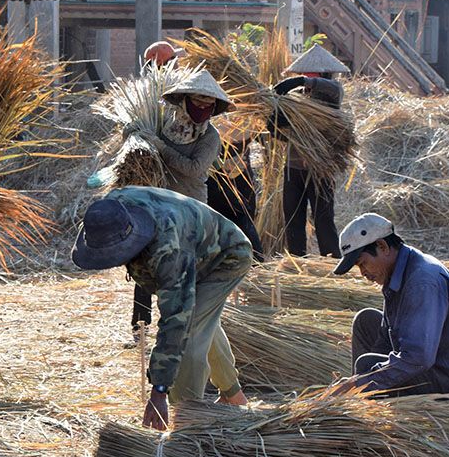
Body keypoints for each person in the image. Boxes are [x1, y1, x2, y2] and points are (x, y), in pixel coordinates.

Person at [71, 186, 251, 430]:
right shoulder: (111, 212)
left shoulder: (167, 249)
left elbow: (176, 322)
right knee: (200, 321)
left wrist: (160, 391)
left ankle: (186, 424)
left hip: (226, 255)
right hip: (193, 248)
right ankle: (234, 398)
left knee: (191, 332)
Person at [330, 213, 449, 396]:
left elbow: (418, 358)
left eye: (362, 263)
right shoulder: (398, 273)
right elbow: (386, 339)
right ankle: (364, 400)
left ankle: (366, 409)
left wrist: (361, 382)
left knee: (367, 366)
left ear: (382, 246)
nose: (362, 273)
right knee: (365, 321)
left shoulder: (422, 281)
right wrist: (361, 380)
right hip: (435, 368)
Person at [123, 69, 234, 339]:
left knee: (181, 267)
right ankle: (140, 326)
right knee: (144, 263)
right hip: (157, 201)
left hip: (190, 207)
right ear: (184, 101)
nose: (203, 109)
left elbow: (194, 168)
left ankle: (178, 328)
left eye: (209, 105)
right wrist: (135, 135)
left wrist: (160, 147)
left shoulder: (210, 137)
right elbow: (137, 136)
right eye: (198, 102)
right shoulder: (164, 124)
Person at [271, 74, 343, 258]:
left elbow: (335, 89)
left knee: (323, 219)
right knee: (293, 218)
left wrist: (301, 80)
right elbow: (287, 136)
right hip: (293, 169)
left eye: (313, 75)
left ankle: (332, 262)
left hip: (320, 170)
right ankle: (298, 262)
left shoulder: (331, 96)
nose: (309, 80)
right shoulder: (296, 98)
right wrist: (274, 125)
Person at [206, 123, 264, 262]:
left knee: (243, 219)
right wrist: (219, 164)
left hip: (240, 177)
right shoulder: (207, 116)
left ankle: (254, 266)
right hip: (215, 178)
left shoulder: (250, 113)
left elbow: (265, 133)